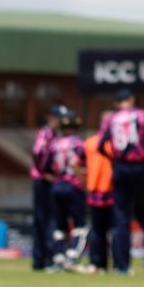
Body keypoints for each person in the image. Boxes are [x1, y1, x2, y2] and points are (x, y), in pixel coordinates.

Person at [97, 88, 144, 275]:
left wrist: (113, 158)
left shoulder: (111, 118)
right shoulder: (142, 115)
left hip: (121, 167)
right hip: (140, 166)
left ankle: (123, 266)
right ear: (132, 99)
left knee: (121, 217)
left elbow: (101, 144)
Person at [45, 109, 88, 270]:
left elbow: (46, 166)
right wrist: (84, 184)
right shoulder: (78, 143)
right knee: (80, 225)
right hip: (73, 187)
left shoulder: (54, 144)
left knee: (59, 225)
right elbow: (76, 164)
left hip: (57, 186)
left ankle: (58, 258)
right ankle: (72, 257)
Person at [29, 104, 65, 270]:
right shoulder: (47, 133)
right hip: (43, 182)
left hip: (45, 180)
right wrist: (45, 173)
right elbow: (37, 152)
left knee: (45, 219)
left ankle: (42, 259)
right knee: (45, 220)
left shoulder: (54, 134)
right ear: (52, 118)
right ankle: (45, 258)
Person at [83, 112, 115, 274]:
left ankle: (98, 264)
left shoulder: (90, 142)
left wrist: (85, 182)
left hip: (103, 191)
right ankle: (110, 264)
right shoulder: (112, 143)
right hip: (106, 191)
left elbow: (76, 164)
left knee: (99, 230)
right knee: (103, 231)